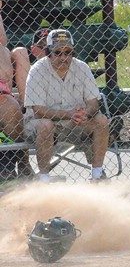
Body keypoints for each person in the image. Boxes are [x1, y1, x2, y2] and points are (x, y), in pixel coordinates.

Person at [24, 29, 110, 183]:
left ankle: (97, 175)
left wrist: (85, 113)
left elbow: (93, 103)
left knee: (101, 120)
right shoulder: (37, 70)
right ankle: (43, 179)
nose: (63, 57)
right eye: (58, 52)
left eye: (68, 52)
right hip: (42, 124)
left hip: (76, 122)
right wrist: (69, 114)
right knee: (45, 125)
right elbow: (38, 111)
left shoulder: (82, 67)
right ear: (48, 53)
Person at [0, 7, 33, 179]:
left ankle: (21, 161)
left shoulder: (3, 50)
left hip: (4, 97)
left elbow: (2, 40)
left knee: (19, 51)